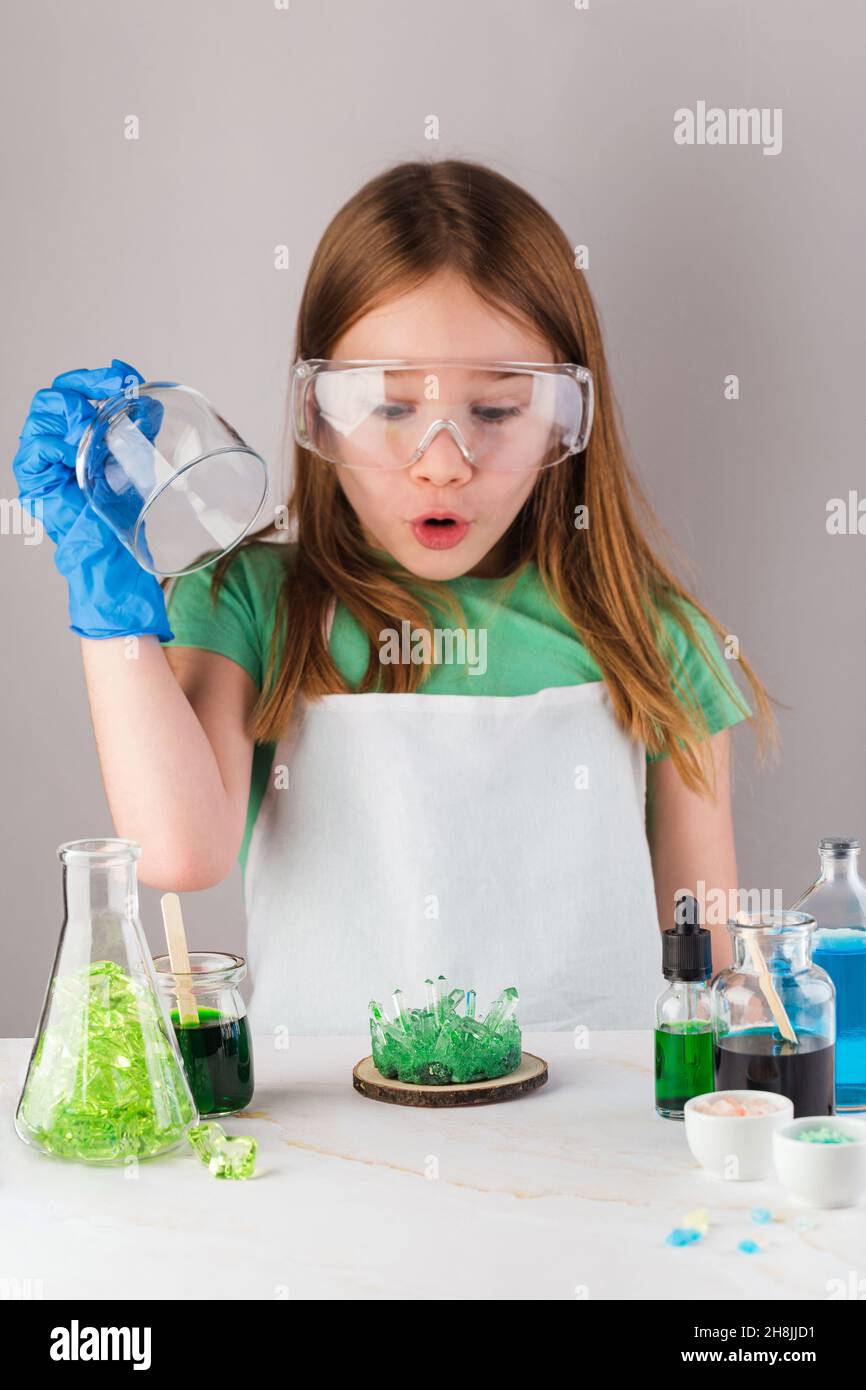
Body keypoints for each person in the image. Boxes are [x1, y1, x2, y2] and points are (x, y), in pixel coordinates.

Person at [13, 159, 773, 1034]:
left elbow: (710, 968)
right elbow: (181, 851)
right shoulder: (253, 602)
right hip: (335, 1149)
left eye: (494, 411)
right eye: (388, 406)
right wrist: (106, 595)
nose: (443, 460)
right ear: (320, 413)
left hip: (584, 1151)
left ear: (568, 419)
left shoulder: (655, 636)